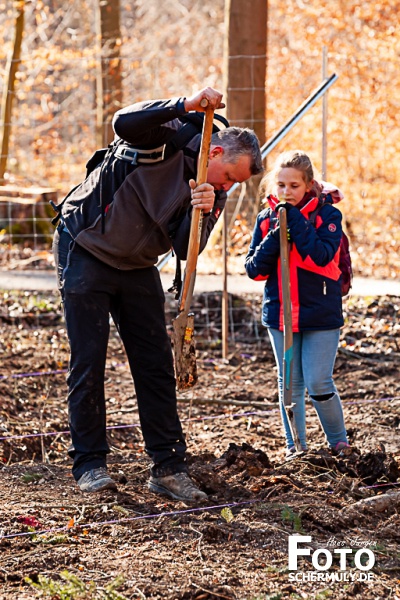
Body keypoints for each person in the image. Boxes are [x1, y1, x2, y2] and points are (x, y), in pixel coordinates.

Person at [52, 87, 263, 500]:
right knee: (89, 362)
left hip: (137, 266)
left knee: (155, 366)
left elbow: (186, 247)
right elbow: (123, 122)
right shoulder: (168, 134)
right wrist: (184, 104)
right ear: (216, 154)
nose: (228, 188)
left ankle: (168, 468)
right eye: (230, 179)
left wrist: (204, 210)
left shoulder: (215, 190)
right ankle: (90, 465)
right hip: (86, 249)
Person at [245, 150, 350, 458]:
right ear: (273, 186)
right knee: (289, 383)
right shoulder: (266, 219)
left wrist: (295, 220)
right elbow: (254, 269)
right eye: (281, 185)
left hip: (320, 313)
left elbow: (320, 255)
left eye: (294, 186)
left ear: (308, 185)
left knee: (318, 381)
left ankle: (339, 443)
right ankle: (296, 447)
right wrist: (276, 233)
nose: (286, 192)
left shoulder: (327, 215)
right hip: (280, 313)